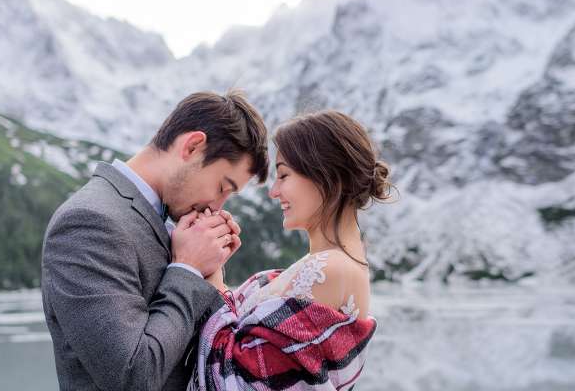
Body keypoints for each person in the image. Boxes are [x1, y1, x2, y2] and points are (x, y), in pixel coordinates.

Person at [41, 90, 268, 390]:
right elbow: (133, 376)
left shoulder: (163, 223)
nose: (217, 207)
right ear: (193, 146)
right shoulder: (88, 222)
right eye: (222, 187)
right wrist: (187, 269)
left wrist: (208, 273)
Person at [189, 110, 391, 390]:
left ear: (325, 175)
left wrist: (212, 282)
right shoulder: (329, 263)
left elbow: (239, 382)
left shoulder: (330, 269)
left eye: (283, 175)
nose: (274, 191)